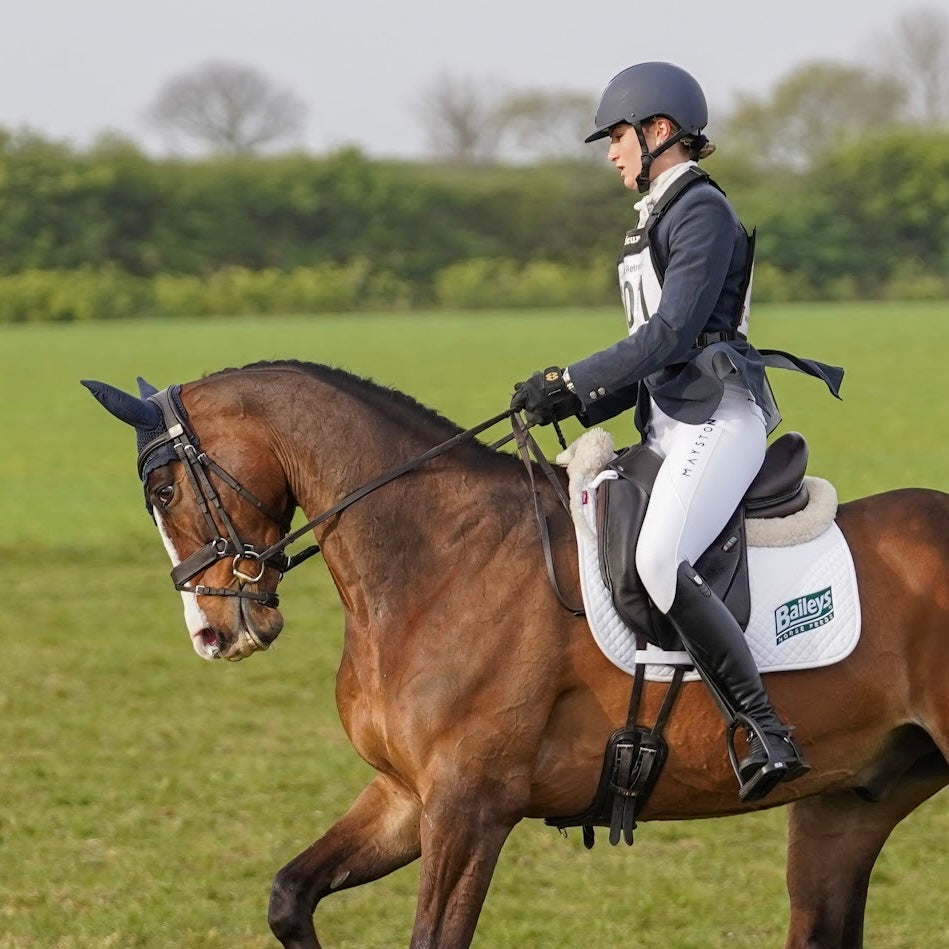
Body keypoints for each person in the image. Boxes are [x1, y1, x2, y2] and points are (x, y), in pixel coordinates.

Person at [510, 61, 843, 803]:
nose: (610, 153)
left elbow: (670, 333)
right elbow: (653, 351)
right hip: (667, 422)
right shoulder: (656, 216)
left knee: (660, 558)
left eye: (618, 137)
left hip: (719, 420)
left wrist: (575, 379)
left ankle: (763, 728)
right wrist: (569, 403)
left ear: (658, 132)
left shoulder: (700, 213)